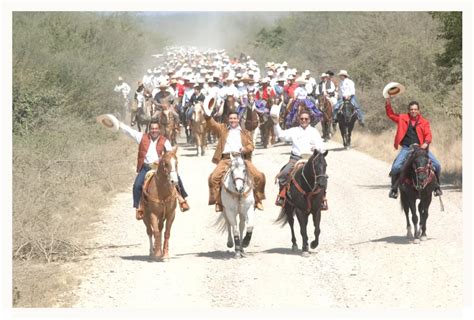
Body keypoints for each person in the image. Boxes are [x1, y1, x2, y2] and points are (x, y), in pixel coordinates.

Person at [119, 119, 190, 220]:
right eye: (152, 128)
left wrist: (160, 160)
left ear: (159, 129)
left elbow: (170, 154)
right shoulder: (142, 137)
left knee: (176, 179)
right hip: (146, 167)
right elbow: (130, 131)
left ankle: (182, 200)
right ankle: (138, 207)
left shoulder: (165, 141)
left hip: (159, 168)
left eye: (156, 128)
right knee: (137, 185)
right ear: (149, 129)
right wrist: (119, 123)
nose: (154, 130)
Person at [204, 111, 266, 212]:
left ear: (238, 119)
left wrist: (245, 149)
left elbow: (251, 145)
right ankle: (218, 202)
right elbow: (213, 124)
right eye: (231, 118)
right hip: (226, 159)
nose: (232, 120)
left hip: (242, 158)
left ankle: (258, 199)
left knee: (259, 176)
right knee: (213, 178)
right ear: (228, 120)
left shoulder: (245, 132)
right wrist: (207, 116)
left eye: (234, 118)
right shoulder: (223, 129)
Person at [385, 97, 442, 198]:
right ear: (409, 110)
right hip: (407, 148)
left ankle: (437, 187)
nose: (413, 111)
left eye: (415, 109)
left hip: (421, 149)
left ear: (418, 110)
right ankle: (394, 189)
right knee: (396, 167)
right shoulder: (402, 118)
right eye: (411, 109)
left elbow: (428, 135)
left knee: (437, 165)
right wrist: (388, 103)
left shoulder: (424, 122)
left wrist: (426, 142)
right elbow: (390, 115)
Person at [273, 109, 328, 210]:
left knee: (323, 176)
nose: (304, 120)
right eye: (302, 118)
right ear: (299, 119)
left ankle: (322, 199)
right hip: (296, 158)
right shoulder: (294, 130)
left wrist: (317, 147)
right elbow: (281, 135)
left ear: (309, 120)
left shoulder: (314, 131)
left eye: (306, 119)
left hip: (311, 159)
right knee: (283, 173)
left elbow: (321, 146)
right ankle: (282, 196)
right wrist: (276, 124)